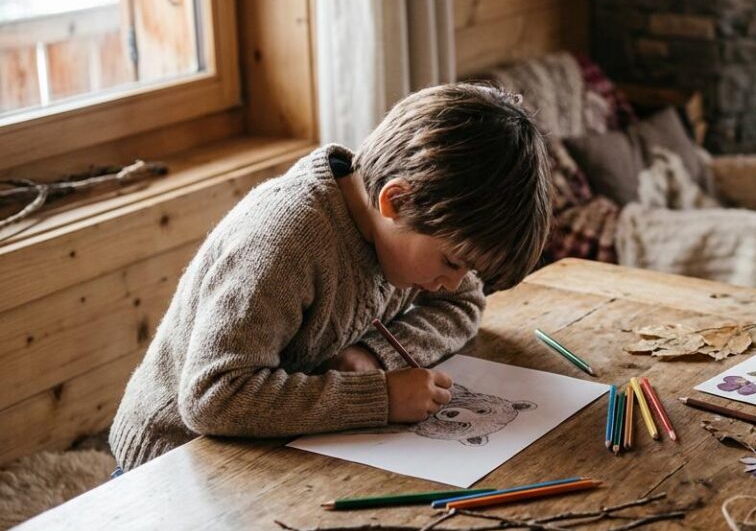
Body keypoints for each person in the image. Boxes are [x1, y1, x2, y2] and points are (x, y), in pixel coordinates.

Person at [110, 83, 552, 472]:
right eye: (453, 263)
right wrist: (380, 398)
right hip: (176, 457)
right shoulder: (285, 240)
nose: (455, 281)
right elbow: (215, 396)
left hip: (276, 444)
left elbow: (464, 305)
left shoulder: (405, 235)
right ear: (395, 202)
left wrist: (377, 355)